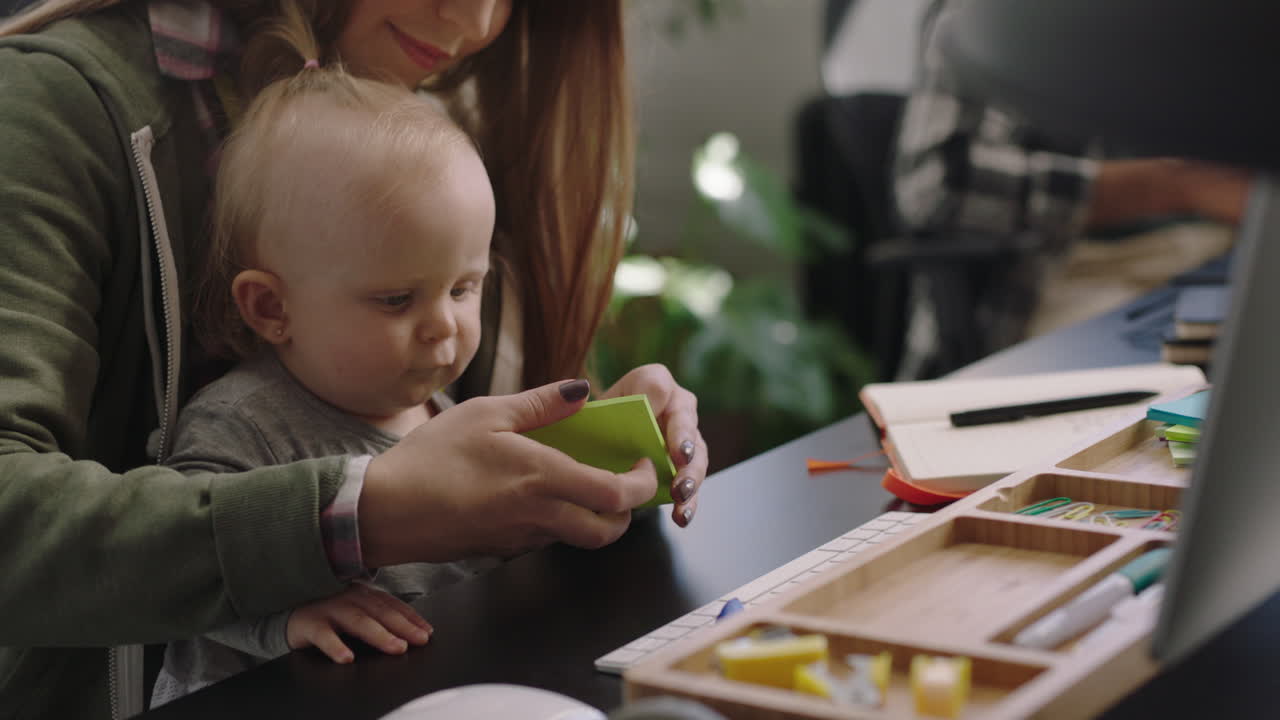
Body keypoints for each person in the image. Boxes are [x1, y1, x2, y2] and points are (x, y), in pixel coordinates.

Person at [0, 1, 708, 717]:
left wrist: (604, 455)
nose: (476, 16)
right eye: (396, 298)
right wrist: (356, 515)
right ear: (266, 307)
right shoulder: (55, 109)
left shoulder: (439, 121)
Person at [146, 13, 512, 702]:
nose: (444, 329)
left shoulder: (437, 407)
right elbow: (183, 568)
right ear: (271, 309)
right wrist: (286, 619)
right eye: (397, 299)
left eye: (464, 288)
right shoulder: (243, 426)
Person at [892, 0, 1251, 378]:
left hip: (1218, 261)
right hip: (1068, 278)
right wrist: (1175, 187)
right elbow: (934, 185)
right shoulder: (985, 15)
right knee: (1179, 398)